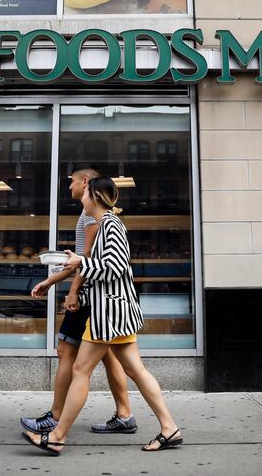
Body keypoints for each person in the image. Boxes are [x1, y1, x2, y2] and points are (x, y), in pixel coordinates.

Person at [24, 176, 182, 455]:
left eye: (84, 194)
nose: (81, 199)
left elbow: (117, 266)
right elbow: (102, 269)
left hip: (109, 314)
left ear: (95, 196)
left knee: (80, 370)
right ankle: (170, 429)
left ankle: (57, 437)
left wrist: (80, 261)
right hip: (113, 311)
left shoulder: (111, 224)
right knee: (135, 370)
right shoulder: (108, 224)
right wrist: (77, 268)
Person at [20, 166, 137, 435]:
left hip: (88, 297)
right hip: (93, 297)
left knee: (69, 354)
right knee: (111, 357)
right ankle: (125, 414)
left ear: (86, 184)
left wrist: (70, 290)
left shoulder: (94, 218)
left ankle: (56, 420)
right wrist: (54, 281)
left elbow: (88, 260)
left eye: (71, 182)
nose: (69, 186)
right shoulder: (91, 215)